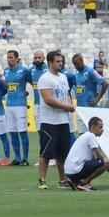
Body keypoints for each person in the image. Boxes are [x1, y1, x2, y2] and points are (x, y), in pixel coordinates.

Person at [36, 50, 76, 190]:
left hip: (63, 121)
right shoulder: (45, 78)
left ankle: (62, 179)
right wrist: (67, 106)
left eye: (61, 61)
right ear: (50, 62)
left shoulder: (63, 77)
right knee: (46, 153)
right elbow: (48, 100)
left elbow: (66, 95)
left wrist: (69, 107)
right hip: (49, 121)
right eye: (57, 61)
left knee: (62, 153)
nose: (60, 64)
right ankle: (42, 180)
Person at [64, 116, 109, 191]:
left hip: (69, 171)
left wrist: (108, 168)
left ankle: (74, 181)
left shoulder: (85, 136)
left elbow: (95, 158)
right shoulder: (91, 136)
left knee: (98, 163)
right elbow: (100, 156)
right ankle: (84, 183)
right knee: (106, 162)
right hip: (76, 169)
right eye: (100, 127)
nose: (102, 130)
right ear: (93, 127)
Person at [3, 50, 32, 166]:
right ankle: (17, 158)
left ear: (17, 59)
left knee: (22, 132)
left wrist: (27, 93)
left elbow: (32, 82)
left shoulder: (24, 70)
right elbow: (8, 86)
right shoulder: (6, 71)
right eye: (8, 58)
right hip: (9, 105)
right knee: (12, 132)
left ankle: (25, 158)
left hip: (20, 105)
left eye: (11, 57)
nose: (9, 60)